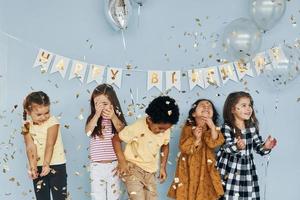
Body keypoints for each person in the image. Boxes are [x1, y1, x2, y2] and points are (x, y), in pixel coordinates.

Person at [112, 96, 180, 200]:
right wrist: (122, 161)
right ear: (149, 119)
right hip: (133, 169)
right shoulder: (137, 127)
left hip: (150, 172)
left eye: (166, 129)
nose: (163, 131)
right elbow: (116, 139)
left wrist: (162, 167)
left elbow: (165, 145)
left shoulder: (165, 130)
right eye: (160, 128)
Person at [216, 91, 277, 199]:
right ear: (232, 109)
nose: (248, 108)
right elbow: (226, 147)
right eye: (243, 105)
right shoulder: (227, 127)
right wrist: (237, 146)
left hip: (246, 167)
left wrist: (266, 146)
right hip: (229, 167)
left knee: (245, 194)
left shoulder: (251, 127)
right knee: (228, 193)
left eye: (250, 105)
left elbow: (259, 147)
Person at [168, 99, 224, 200]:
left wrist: (211, 127)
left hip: (206, 167)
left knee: (205, 191)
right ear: (194, 113)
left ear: (212, 115)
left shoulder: (213, 129)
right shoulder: (188, 128)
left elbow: (213, 143)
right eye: (202, 105)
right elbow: (184, 147)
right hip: (189, 167)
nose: (206, 107)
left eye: (209, 106)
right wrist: (196, 138)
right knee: (189, 190)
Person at [22, 91, 67, 200]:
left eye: (47, 113)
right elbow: (30, 147)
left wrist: (46, 164)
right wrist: (33, 167)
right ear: (28, 112)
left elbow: (50, 144)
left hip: (56, 165)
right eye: (39, 114)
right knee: (41, 197)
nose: (44, 117)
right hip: (38, 166)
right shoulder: (26, 126)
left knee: (60, 197)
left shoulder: (53, 122)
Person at [85, 84, 126, 200]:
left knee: (114, 196)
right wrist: (96, 115)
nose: (101, 107)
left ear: (113, 104)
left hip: (114, 165)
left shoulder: (116, 118)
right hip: (96, 166)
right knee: (98, 196)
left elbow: (123, 134)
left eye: (105, 104)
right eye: (97, 104)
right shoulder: (92, 119)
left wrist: (113, 117)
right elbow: (88, 132)